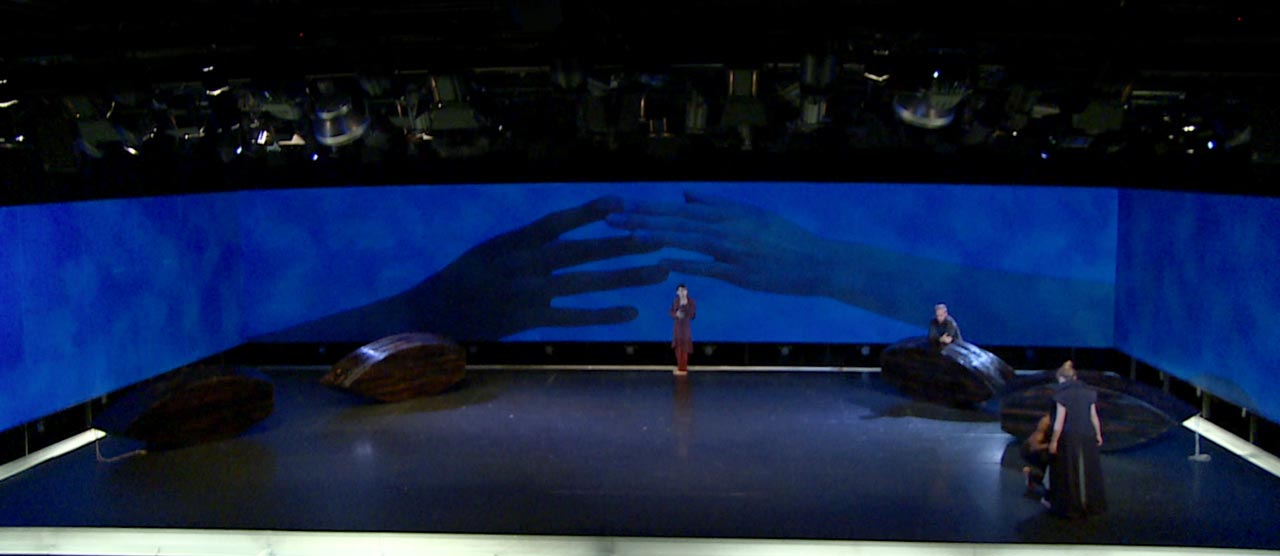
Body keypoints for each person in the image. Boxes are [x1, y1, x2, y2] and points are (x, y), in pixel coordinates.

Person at [1046, 360, 1106, 517]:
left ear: (1061, 378)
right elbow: (1094, 416)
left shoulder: (1061, 394)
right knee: (1089, 471)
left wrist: (1054, 441)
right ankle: (1091, 505)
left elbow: (1059, 422)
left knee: (1070, 472)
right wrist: (1098, 434)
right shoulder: (1089, 392)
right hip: (1088, 435)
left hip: (1070, 437)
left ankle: (1071, 506)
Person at [1020, 414, 1052, 495]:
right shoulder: (1046, 422)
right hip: (1030, 450)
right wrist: (1049, 445)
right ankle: (1031, 474)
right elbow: (1034, 447)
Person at [669, 284, 696, 374]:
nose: (682, 292)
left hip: (685, 327)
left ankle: (683, 368)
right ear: (677, 292)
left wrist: (685, 306)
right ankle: (679, 366)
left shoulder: (690, 301)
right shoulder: (676, 301)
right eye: (680, 291)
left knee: (684, 347)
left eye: (684, 290)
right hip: (677, 327)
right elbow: (671, 311)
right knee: (678, 347)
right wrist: (676, 314)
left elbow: (692, 315)